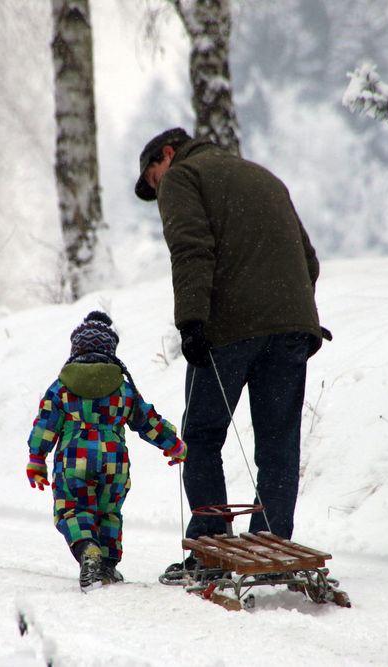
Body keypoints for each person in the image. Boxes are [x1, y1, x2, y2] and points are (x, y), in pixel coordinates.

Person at [133, 127, 330, 571]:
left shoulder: (183, 176)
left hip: (229, 329)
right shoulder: (264, 177)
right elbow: (309, 260)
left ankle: (210, 548)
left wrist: (191, 323)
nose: (158, 188)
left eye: (153, 178)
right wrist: (291, 314)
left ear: (167, 154)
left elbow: (190, 250)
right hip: (293, 327)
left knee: (201, 437)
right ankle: (272, 543)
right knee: (279, 442)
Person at [26, 311, 186, 591]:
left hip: (74, 460)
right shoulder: (122, 388)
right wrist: (172, 443)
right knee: (108, 511)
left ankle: (89, 550)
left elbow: (46, 424)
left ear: (76, 348)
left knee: (74, 509)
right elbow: (146, 419)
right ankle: (108, 566)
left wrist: (37, 458)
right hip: (114, 462)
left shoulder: (62, 386)